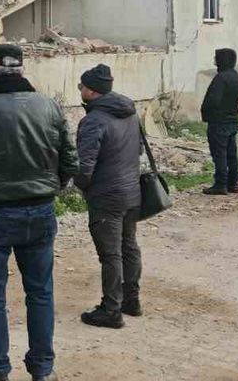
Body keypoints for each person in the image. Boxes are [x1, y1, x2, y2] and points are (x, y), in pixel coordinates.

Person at [0, 44, 78, 381]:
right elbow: (70, 160)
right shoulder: (49, 106)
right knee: (40, 292)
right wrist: (50, 188)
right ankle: (42, 370)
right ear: (22, 69)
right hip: (40, 210)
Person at [73, 64, 143, 329]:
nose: (79, 90)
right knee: (129, 246)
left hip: (106, 196)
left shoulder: (93, 121)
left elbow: (84, 167)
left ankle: (111, 310)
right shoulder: (130, 113)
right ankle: (131, 300)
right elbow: (137, 150)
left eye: (81, 86)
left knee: (111, 255)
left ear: (91, 91)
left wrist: (82, 186)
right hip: (131, 191)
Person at [201, 48, 238, 195]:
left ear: (222, 60)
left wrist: (207, 112)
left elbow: (213, 100)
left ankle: (220, 184)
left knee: (219, 154)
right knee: (231, 154)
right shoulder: (236, 77)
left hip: (218, 121)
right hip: (232, 119)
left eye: (217, 58)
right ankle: (233, 183)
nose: (215, 62)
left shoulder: (221, 78)